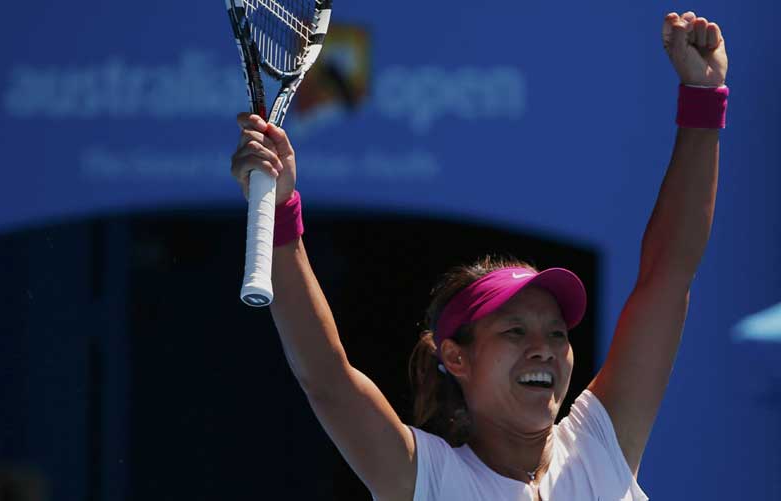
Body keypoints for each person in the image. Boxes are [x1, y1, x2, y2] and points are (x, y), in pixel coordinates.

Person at [229, 11, 728, 501]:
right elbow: (327, 379)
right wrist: (283, 215)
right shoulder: (426, 478)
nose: (545, 348)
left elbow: (668, 274)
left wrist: (704, 99)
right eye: (516, 331)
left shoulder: (600, 443)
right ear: (456, 357)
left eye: (557, 333)